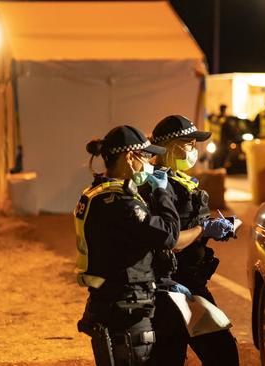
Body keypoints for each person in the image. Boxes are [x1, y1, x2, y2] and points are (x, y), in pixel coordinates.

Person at [74, 125, 181, 365]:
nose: (149, 162)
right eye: (145, 156)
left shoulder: (95, 193)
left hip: (108, 299)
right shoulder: (121, 203)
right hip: (126, 306)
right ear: (130, 157)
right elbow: (169, 235)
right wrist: (163, 193)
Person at [150, 115, 240, 365]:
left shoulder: (180, 181)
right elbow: (171, 240)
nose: (194, 149)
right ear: (171, 146)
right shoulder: (159, 186)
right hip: (172, 287)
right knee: (221, 355)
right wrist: (204, 229)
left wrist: (215, 230)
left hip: (190, 284)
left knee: (218, 354)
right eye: (189, 143)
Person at [205, 104, 237, 169]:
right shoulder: (224, 120)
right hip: (221, 143)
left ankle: (217, 172)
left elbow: (209, 118)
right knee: (219, 160)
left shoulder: (216, 119)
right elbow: (231, 132)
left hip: (216, 142)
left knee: (216, 159)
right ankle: (218, 173)